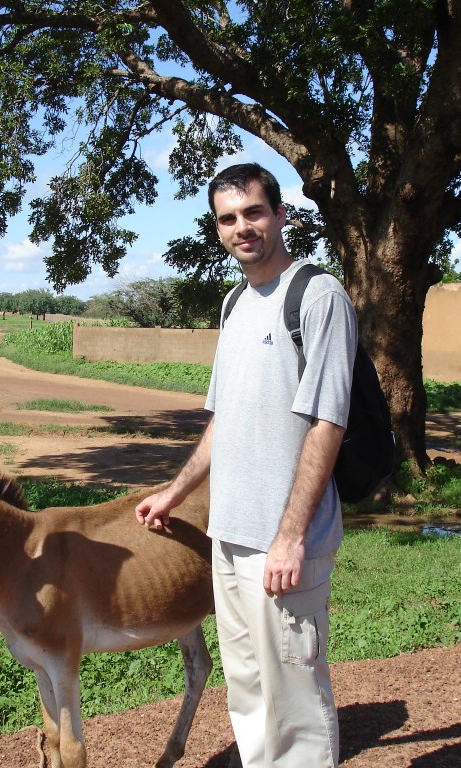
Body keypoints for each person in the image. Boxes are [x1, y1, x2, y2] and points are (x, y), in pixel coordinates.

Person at [135, 162, 356, 767]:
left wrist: (290, 539)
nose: (243, 227)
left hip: (284, 543)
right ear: (218, 229)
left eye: (254, 212)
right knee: (250, 689)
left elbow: (327, 423)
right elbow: (224, 420)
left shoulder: (317, 295)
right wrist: (176, 494)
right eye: (228, 219)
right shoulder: (236, 302)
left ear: (281, 214)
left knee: (296, 699)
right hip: (227, 535)